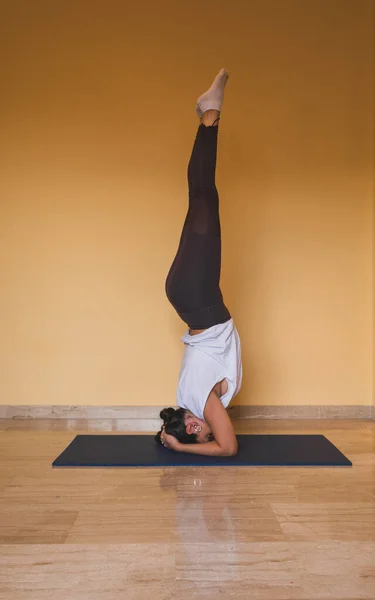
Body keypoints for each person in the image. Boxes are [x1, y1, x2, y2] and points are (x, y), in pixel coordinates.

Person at [156, 69, 243, 457]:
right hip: (188, 297)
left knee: (204, 197)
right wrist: (174, 434)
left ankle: (211, 115)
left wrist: (180, 446)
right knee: (202, 197)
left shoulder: (203, 402)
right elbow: (211, 434)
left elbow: (229, 449)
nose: (196, 428)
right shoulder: (191, 397)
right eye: (196, 433)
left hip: (199, 300)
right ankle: (208, 116)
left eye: (187, 428)